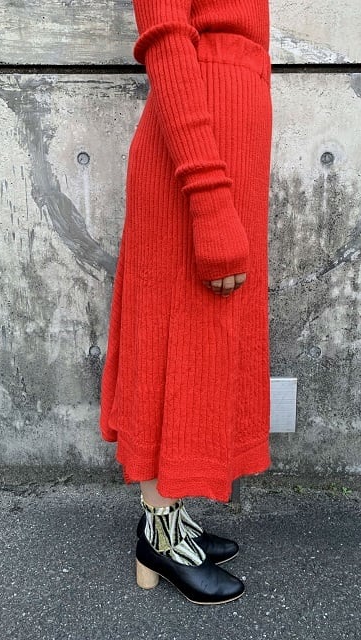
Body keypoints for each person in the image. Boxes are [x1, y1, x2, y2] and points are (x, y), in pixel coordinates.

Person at [99, 0, 273, 605]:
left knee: (203, 347)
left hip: (228, 152)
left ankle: (170, 516)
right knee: (169, 341)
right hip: (191, 166)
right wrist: (209, 198)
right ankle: (160, 538)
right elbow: (168, 39)